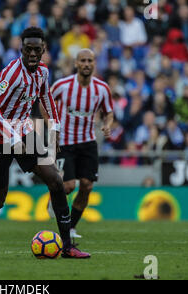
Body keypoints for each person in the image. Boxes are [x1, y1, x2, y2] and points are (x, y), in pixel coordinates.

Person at [0, 27, 90, 259]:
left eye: (37, 49)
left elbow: (46, 97)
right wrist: (13, 138)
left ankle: (67, 246)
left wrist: (55, 127)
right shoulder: (12, 73)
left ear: (44, 49)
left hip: (24, 130)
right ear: (21, 49)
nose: (33, 54)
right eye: (28, 49)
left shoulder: (43, 72)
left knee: (56, 181)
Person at [49, 49, 113, 240]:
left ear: (94, 63)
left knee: (87, 186)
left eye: (90, 60)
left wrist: (107, 125)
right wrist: (51, 124)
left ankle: (70, 228)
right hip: (64, 142)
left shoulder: (102, 88)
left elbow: (108, 112)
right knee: (68, 186)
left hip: (87, 142)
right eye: (83, 60)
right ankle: (54, 195)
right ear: (76, 63)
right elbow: (45, 103)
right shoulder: (62, 85)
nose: (86, 64)